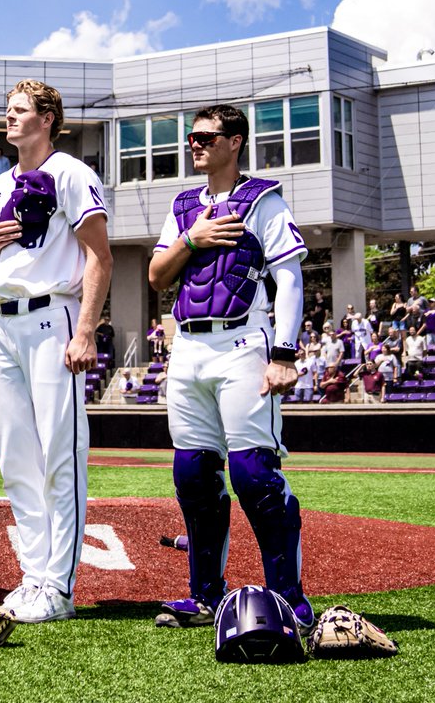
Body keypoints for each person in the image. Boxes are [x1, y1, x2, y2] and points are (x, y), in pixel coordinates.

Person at [147, 103, 313, 633]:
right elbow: (156, 276)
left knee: (253, 474)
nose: (194, 145)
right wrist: (190, 239)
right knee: (193, 474)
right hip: (188, 348)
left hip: (244, 341)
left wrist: (285, 354)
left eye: (205, 137)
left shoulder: (263, 198)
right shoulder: (182, 206)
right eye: (191, 138)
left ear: (234, 141)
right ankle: (204, 597)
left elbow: (289, 276)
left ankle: (291, 600)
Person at [0, 79, 112, 624]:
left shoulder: (72, 173)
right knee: (15, 458)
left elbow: (99, 256)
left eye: (20, 110)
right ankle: (33, 575)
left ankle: (59, 585)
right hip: (1, 324)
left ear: (48, 118)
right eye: (7, 110)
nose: (9, 117)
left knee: (60, 454)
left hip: (54, 318)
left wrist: (86, 331)